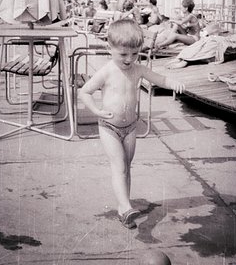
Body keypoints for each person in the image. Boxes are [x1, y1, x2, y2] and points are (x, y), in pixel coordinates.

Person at [79, 19, 185, 229]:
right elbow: (84, 91)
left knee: (126, 168)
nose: (129, 59)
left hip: (130, 128)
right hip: (109, 127)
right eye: (123, 54)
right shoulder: (107, 71)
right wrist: (96, 110)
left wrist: (173, 82)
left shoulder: (138, 69)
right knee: (118, 167)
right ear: (110, 48)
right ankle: (127, 207)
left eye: (135, 54)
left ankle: (123, 208)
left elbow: (158, 79)